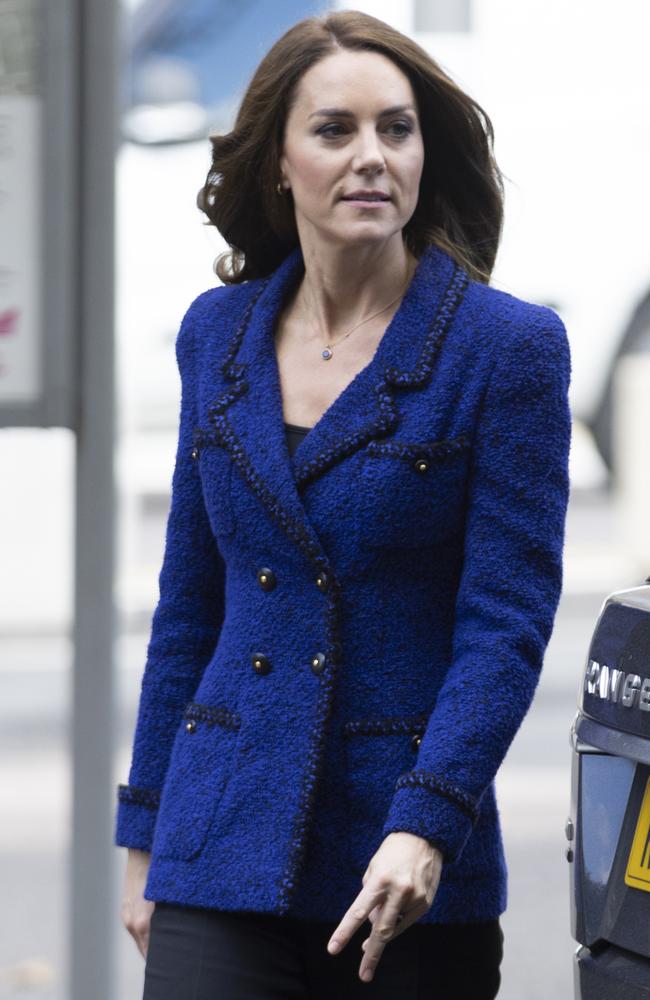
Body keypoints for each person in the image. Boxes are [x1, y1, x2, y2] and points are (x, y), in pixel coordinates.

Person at [115, 9, 572, 999]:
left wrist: (425, 821)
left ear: (422, 151)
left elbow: (503, 626)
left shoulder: (505, 351)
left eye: (395, 129)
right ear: (279, 162)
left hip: (400, 870)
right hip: (216, 844)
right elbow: (190, 607)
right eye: (334, 130)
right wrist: (145, 832)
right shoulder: (216, 336)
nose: (370, 156)